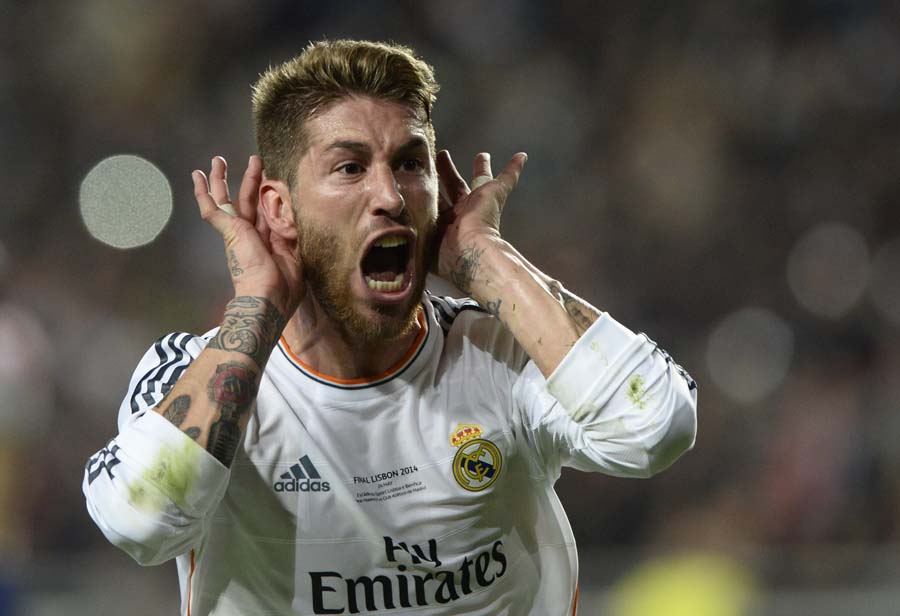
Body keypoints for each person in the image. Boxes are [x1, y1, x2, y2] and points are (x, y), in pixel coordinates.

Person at [83, 39, 697, 616]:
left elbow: (655, 429)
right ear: (279, 207)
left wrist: (485, 259)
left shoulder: (501, 353)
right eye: (350, 168)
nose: (391, 196)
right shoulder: (191, 372)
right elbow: (142, 522)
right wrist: (258, 306)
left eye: (409, 163)